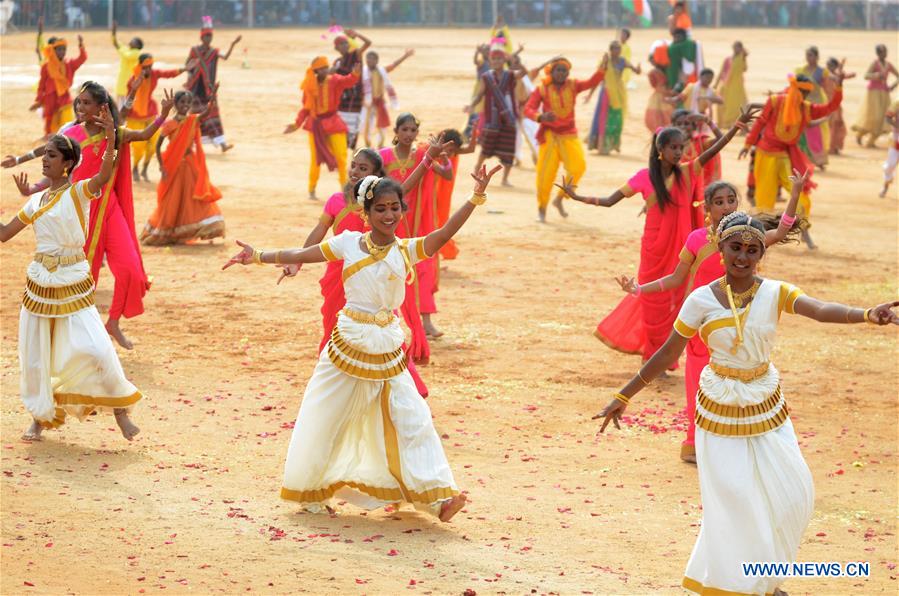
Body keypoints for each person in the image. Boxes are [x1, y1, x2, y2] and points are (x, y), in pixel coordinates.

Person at [594, 212, 899, 596]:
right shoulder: (700, 300)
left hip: (765, 402)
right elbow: (668, 351)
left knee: (793, 494)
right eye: (735, 248)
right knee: (736, 499)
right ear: (719, 249)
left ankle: (765, 578)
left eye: (752, 250)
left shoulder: (775, 292)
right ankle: (748, 586)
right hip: (718, 405)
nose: (743, 256)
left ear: (761, 254)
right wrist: (624, 395)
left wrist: (867, 315)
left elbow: (820, 309)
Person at [222, 163, 504, 521]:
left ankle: (436, 498)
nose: (389, 215)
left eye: (394, 208)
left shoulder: (408, 250)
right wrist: (257, 256)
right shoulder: (347, 244)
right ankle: (309, 490)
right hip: (347, 346)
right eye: (380, 209)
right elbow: (301, 255)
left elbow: (444, 233)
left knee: (414, 417)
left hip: (388, 347)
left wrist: (475, 197)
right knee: (326, 417)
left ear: (403, 210)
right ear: (366, 214)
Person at [614, 172, 804, 462]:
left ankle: (736, 441)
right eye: (719, 201)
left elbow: (779, 232)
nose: (726, 206)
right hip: (703, 325)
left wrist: (795, 193)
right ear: (706, 208)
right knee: (698, 385)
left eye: (731, 200)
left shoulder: (745, 237)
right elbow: (676, 278)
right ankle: (695, 442)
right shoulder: (696, 239)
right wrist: (640, 289)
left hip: (741, 323)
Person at [556, 106, 759, 365]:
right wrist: (576, 196)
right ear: (660, 150)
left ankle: (662, 358)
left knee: (676, 301)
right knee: (653, 303)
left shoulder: (688, 171)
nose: (679, 152)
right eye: (673, 147)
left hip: (681, 249)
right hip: (653, 248)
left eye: (681, 147)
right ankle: (652, 358)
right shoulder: (643, 178)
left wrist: (736, 126)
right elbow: (609, 201)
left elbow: (714, 150)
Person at [0, 123, 142, 443]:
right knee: (37, 353)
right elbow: (5, 234)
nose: (44, 160)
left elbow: (103, 177)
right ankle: (39, 417)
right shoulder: (35, 202)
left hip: (73, 279)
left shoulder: (79, 192)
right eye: (44, 155)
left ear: (67, 163)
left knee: (95, 347)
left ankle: (121, 412)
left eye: (51, 155)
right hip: (39, 283)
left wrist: (110, 142)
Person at [4, 82, 171, 350]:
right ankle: (78, 337)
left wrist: (163, 113)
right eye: (79, 102)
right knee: (83, 280)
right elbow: (52, 161)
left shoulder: (116, 134)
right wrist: (24, 167)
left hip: (110, 209)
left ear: (101, 106)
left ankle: (113, 322)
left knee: (129, 269)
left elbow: (146, 133)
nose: (80, 107)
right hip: (81, 210)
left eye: (86, 103)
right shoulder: (70, 134)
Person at [278, 137, 456, 388]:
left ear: (375, 177)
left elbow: (405, 188)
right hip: (338, 278)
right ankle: (330, 387)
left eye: (363, 169)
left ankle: (401, 387)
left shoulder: (379, 205)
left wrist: (428, 159)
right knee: (333, 329)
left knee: (384, 335)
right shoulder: (335, 201)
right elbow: (319, 231)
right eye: (354, 166)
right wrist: (298, 261)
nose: (355, 172)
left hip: (375, 279)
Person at [739, 70, 846, 249]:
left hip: (785, 156)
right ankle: (758, 238)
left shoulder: (806, 108)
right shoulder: (774, 101)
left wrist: (840, 86)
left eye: (805, 94)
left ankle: (804, 232)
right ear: (793, 89)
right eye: (801, 92)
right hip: (765, 155)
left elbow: (830, 106)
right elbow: (760, 123)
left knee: (802, 199)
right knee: (764, 200)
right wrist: (747, 145)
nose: (802, 96)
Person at [379, 113, 453, 338]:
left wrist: (442, 157)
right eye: (405, 130)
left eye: (413, 130)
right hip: (390, 224)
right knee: (387, 270)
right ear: (396, 131)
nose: (408, 134)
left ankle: (426, 322)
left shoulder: (423, 155)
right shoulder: (382, 157)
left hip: (419, 223)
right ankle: (387, 321)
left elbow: (447, 174)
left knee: (422, 269)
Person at [522, 57, 605, 222]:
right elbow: (528, 109)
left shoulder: (573, 85)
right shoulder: (542, 89)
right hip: (549, 136)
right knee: (545, 175)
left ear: (568, 73)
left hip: (569, 134)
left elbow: (591, 82)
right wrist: (540, 116)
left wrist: (602, 68)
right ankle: (542, 208)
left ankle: (560, 198)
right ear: (551, 72)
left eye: (564, 70)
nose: (561, 73)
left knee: (578, 167)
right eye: (558, 70)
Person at [141, 90, 225, 245]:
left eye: (188, 103)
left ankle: (198, 228)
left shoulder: (192, 120)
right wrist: (162, 167)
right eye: (182, 102)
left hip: (190, 164)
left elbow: (205, 114)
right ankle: (167, 231)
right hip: (174, 166)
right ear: (175, 104)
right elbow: (158, 146)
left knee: (194, 197)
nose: (185, 106)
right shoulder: (169, 124)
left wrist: (212, 99)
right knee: (172, 200)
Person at [284, 56, 361, 201]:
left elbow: (348, 81)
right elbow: (306, 109)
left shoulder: (334, 80)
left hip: (333, 122)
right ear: (316, 71)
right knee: (315, 160)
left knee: (341, 157)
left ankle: (345, 190)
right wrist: (296, 124)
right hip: (316, 125)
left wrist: (355, 74)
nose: (326, 70)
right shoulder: (309, 85)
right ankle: (312, 189)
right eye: (323, 68)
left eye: (326, 67)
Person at [126, 53, 193, 182]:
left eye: (150, 66)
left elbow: (168, 74)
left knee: (153, 146)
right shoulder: (132, 80)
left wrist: (184, 69)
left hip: (150, 112)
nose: (148, 70)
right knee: (139, 148)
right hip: (134, 116)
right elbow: (129, 99)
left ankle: (144, 168)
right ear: (140, 66)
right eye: (145, 67)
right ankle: (135, 168)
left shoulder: (154, 74)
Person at [469, 41, 526, 186]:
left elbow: (524, 73)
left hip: (509, 117)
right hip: (492, 118)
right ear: (490, 60)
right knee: (486, 147)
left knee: (508, 150)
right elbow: (479, 94)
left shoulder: (510, 75)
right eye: (494, 59)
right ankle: (477, 169)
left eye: (499, 58)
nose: (496, 61)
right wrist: (471, 105)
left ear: (504, 60)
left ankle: (505, 179)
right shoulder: (486, 77)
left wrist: (516, 62)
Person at [184, 16, 241, 153]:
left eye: (210, 36)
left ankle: (222, 144)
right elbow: (187, 64)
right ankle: (190, 144)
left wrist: (233, 44)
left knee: (213, 115)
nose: (209, 38)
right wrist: (193, 68)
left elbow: (225, 57)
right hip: (195, 89)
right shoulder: (194, 51)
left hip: (208, 90)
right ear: (202, 37)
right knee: (195, 118)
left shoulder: (214, 51)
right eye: (207, 36)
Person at [585, 42, 641, 155]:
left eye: (619, 49)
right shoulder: (606, 61)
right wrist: (590, 94)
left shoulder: (623, 61)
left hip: (619, 94)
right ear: (610, 50)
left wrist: (639, 69)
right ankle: (601, 146)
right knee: (603, 119)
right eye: (615, 49)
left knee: (617, 119)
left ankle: (613, 144)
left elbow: (636, 71)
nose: (617, 51)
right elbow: (598, 78)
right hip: (606, 93)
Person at [32, 35, 87, 138]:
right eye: (59, 50)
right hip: (50, 97)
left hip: (64, 97)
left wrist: (81, 45)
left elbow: (82, 58)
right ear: (54, 50)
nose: (62, 52)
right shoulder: (46, 66)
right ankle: (49, 138)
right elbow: (41, 85)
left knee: (67, 120)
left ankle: (69, 138)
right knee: (50, 121)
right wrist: (39, 100)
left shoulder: (69, 64)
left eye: (64, 49)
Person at [434, 129, 476, 261]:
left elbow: (471, 149)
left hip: (444, 194)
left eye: (453, 151)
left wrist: (474, 133)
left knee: (442, 220)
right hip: (432, 192)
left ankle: (445, 250)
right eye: (450, 150)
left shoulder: (453, 152)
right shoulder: (433, 152)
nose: (451, 155)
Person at [360, 49, 414, 148]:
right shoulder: (362, 72)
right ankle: (367, 145)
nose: (369, 61)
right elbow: (359, 89)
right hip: (367, 103)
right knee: (365, 125)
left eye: (372, 59)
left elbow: (394, 65)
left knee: (382, 126)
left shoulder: (381, 71)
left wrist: (405, 56)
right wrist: (363, 101)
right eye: (368, 59)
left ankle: (380, 145)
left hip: (379, 102)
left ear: (377, 61)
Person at [852, 44, 899, 148]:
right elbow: (866, 76)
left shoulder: (888, 64)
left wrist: (893, 86)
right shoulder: (875, 63)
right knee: (874, 116)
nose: (884, 54)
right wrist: (875, 75)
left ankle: (871, 141)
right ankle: (860, 134)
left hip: (884, 93)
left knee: (883, 117)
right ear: (878, 53)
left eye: (885, 51)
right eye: (882, 52)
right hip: (873, 93)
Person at [332, 28, 372, 149]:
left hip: (356, 96)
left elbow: (368, 43)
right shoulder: (337, 62)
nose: (344, 45)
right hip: (342, 98)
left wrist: (357, 34)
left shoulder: (355, 55)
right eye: (341, 44)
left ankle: (352, 152)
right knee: (341, 125)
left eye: (346, 43)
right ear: (336, 48)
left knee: (354, 125)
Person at [795, 46, 833, 167]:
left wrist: (830, 106)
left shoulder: (822, 72)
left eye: (811, 55)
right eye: (807, 55)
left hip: (816, 104)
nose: (808, 58)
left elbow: (828, 89)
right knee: (802, 131)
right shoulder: (800, 70)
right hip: (803, 103)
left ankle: (818, 159)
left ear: (817, 57)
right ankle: (803, 158)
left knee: (816, 131)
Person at [825, 57, 856, 155]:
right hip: (827, 104)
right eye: (829, 65)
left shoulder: (836, 74)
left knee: (837, 124)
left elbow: (852, 75)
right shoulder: (825, 75)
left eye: (832, 66)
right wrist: (840, 70)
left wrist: (840, 70)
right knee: (831, 125)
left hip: (836, 105)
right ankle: (830, 147)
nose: (830, 67)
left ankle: (835, 146)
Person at [714, 42, 748, 129]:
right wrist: (716, 84)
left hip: (737, 86)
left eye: (738, 48)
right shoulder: (728, 59)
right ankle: (726, 123)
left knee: (739, 104)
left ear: (741, 48)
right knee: (726, 104)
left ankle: (736, 123)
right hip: (727, 85)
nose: (736, 49)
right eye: (735, 47)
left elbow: (744, 69)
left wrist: (744, 57)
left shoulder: (741, 58)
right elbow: (721, 72)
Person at [111, 20, 143, 106]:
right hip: (123, 82)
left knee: (127, 106)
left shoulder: (136, 53)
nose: (131, 41)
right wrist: (114, 32)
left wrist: (120, 49)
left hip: (129, 83)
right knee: (121, 106)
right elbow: (116, 44)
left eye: (134, 41)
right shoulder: (127, 50)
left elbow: (126, 55)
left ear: (138, 46)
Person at [645, 56, 674, 133]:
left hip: (661, 96)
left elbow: (654, 86)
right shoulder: (668, 70)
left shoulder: (653, 72)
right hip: (665, 95)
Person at [880, 100, 899, 198]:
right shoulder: (897, 102)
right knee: (890, 166)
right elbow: (888, 117)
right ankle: (886, 185)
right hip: (897, 139)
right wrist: (896, 126)